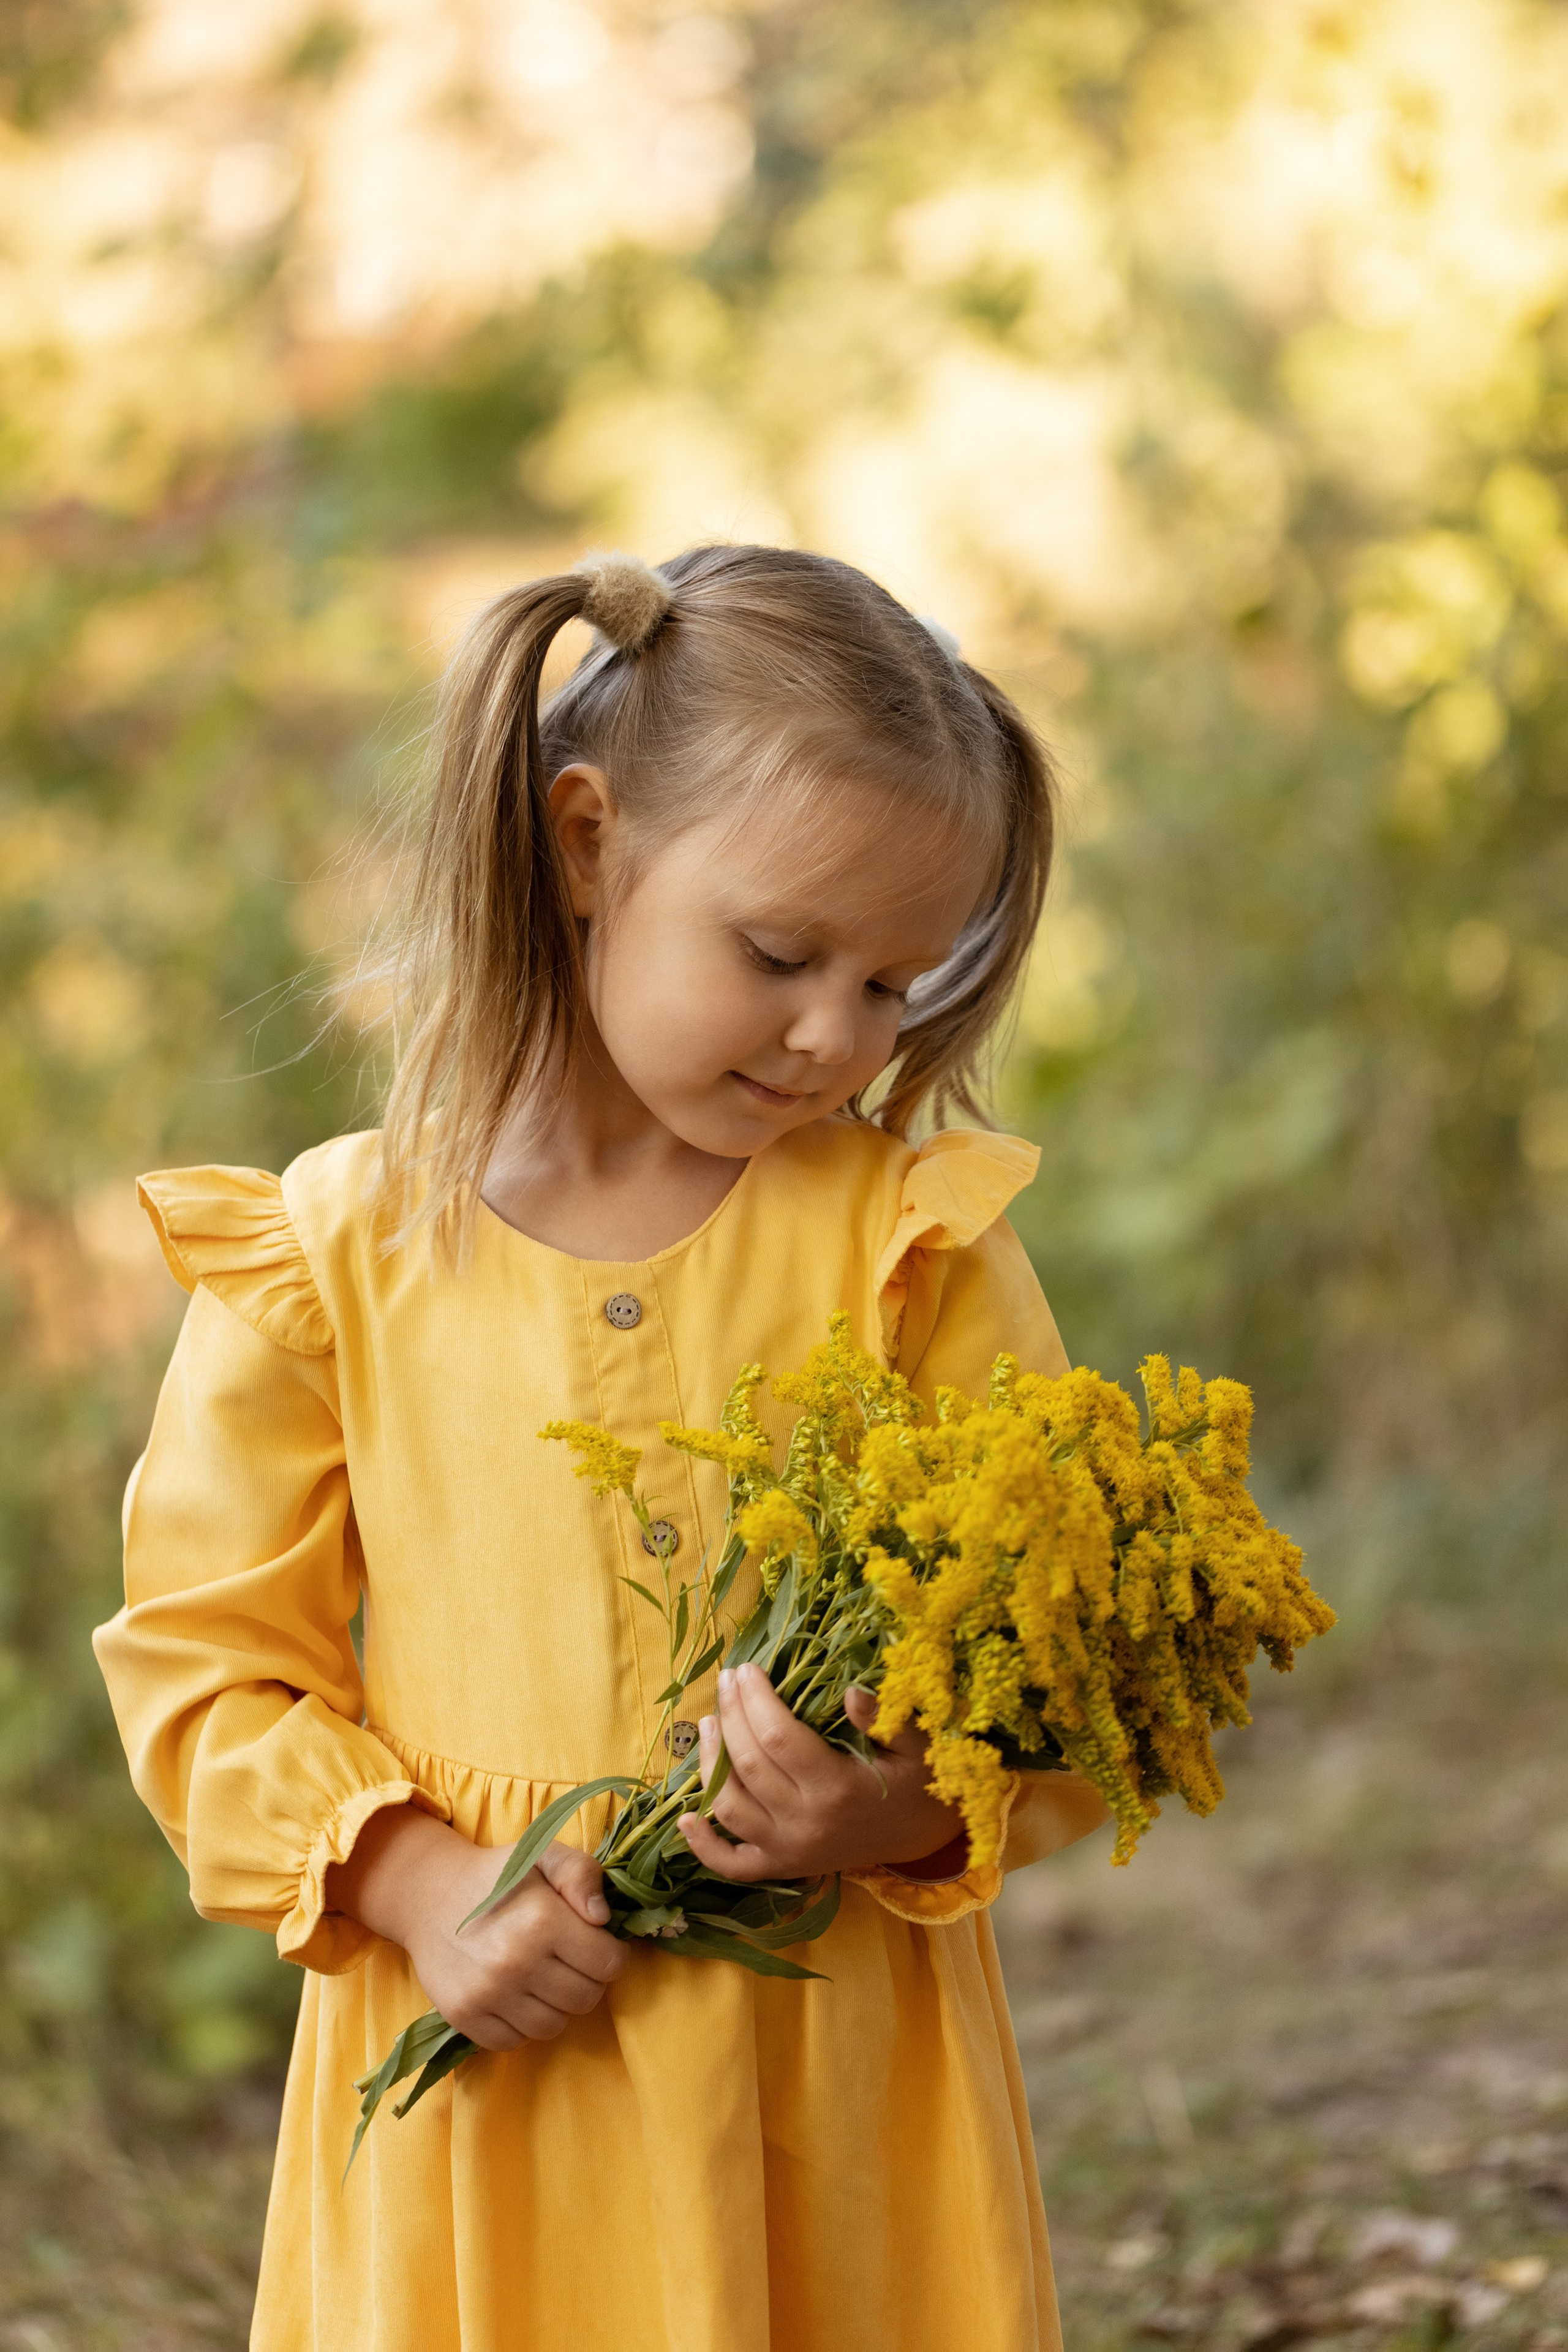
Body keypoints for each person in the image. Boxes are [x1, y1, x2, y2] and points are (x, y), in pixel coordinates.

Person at [94, 545, 1110, 2352]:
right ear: (586, 848)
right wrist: (419, 1889)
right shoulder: (337, 1259)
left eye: (892, 983)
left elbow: (1067, 1670)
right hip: (495, 2068)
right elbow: (204, 1671)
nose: (833, 1035)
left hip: (831, 2082)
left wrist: (879, 1805)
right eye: (783, 954)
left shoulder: (911, 1254)